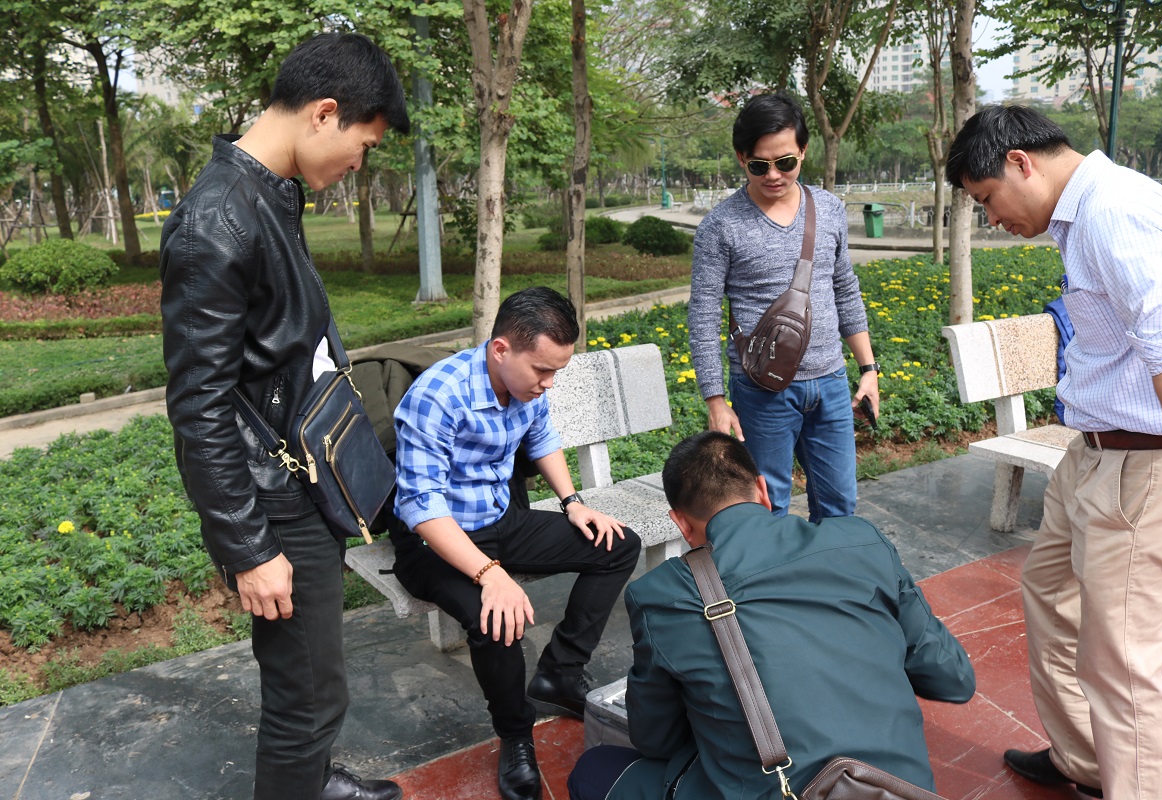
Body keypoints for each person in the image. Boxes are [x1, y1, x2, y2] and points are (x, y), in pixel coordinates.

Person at [160, 33, 408, 800]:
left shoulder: (271, 192)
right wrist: (247, 547)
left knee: (315, 680)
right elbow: (198, 404)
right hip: (273, 499)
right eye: (364, 146)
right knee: (306, 696)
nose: (359, 165)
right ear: (325, 113)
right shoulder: (216, 221)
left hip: (303, 474)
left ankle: (316, 780)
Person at [947, 104, 1162, 800]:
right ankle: (1086, 758)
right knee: (1050, 594)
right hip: (1091, 453)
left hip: (1145, 464)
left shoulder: (1115, 213)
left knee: (1121, 663)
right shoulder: (1085, 214)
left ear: (1020, 163)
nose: (992, 218)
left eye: (987, 199)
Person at [567, 431, 975, 799]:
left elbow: (656, 739)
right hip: (897, 790)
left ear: (681, 524)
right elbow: (953, 679)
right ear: (763, 491)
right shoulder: (861, 540)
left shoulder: (662, 594)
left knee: (593, 770)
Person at [390, 286, 642, 800]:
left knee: (617, 545)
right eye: (542, 371)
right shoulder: (439, 395)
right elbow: (421, 506)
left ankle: (560, 673)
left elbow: (541, 438)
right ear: (501, 349)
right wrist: (490, 574)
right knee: (495, 618)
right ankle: (516, 734)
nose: (548, 384)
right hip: (434, 540)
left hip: (501, 519)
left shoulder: (526, 389)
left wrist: (573, 503)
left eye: (556, 373)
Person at [689, 92, 880, 520]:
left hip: (831, 382)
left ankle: (828, 566)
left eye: (786, 162)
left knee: (839, 505)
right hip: (761, 390)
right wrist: (715, 400)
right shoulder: (721, 226)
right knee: (767, 505)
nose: (774, 175)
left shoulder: (828, 209)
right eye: (760, 165)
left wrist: (868, 370)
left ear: (803, 151)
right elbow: (703, 315)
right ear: (742, 158)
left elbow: (845, 290)